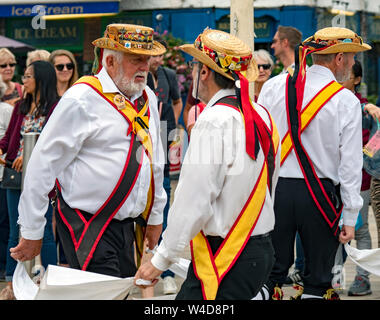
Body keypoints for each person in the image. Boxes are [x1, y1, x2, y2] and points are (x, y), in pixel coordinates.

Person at [9, 24, 167, 281]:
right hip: (87, 225)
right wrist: (32, 230)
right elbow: (42, 165)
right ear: (111, 61)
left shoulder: (147, 97)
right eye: (136, 59)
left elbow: (155, 160)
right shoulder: (81, 98)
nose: (144, 67)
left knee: (122, 293)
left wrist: (155, 216)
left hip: (128, 226)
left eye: (147, 60)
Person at [135, 28, 281, 300]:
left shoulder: (214, 120)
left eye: (194, 67)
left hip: (225, 255)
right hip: (259, 248)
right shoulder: (262, 115)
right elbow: (270, 183)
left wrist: (159, 261)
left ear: (204, 72)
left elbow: (195, 199)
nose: (192, 74)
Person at [256, 27, 371, 300]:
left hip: (276, 192)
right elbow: (350, 165)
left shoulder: (273, 86)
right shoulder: (346, 101)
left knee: (268, 276)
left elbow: (260, 146)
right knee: (319, 281)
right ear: (339, 58)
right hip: (320, 196)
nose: (354, 64)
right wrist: (351, 216)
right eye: (353, 58)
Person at [0, 60, 59, 300]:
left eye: (28, 76)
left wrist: (29, 156)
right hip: (16, 178)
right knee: (16, 230)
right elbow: (8, 140)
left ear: (41, 79)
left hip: (43, 179)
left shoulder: (56, 107)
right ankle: (13, 286)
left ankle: (50, 283)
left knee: (43, 230)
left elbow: (54, 141)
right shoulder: (20, 106)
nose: (23, 81)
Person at [147, 37, 181, 295]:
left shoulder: (168, 75)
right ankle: (142, 267)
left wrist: (173, 132)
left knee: (162, 202)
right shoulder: (137, 76)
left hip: (163, 133)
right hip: (140, 139)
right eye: (154, 55)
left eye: (161, 55)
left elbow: (176, 103)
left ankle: (166, 272)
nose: (157, 60)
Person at [341, 60, 374, 296]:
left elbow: (377, 141)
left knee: (359, 231)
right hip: (333, 182)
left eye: (346, 75)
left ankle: (363, 279)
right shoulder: (331, 105)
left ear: (357, 79)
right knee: (337, 232)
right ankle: (333, 279)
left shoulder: (366, 109)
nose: (340, 78)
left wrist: (361, 156)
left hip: (361, 182)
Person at [0, 76, 13, 282]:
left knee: (3, 221)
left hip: (2, 175)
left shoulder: (7, 110)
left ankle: (2, 265)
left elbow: (9, 140)